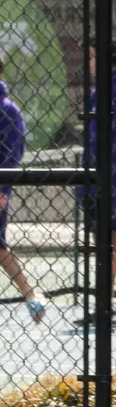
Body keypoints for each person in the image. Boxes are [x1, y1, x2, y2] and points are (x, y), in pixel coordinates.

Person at [79, 54, 116, 328]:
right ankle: (104, 309)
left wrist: (110, 174)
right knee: (104, 244)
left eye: (92, 57)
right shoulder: (99, 93)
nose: (89, 63)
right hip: (98, 179)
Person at [0, 59, 47, 323]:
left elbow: (13, 154)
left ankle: (31, 296)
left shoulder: (8, 110)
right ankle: (31, 296)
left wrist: (3, 188)